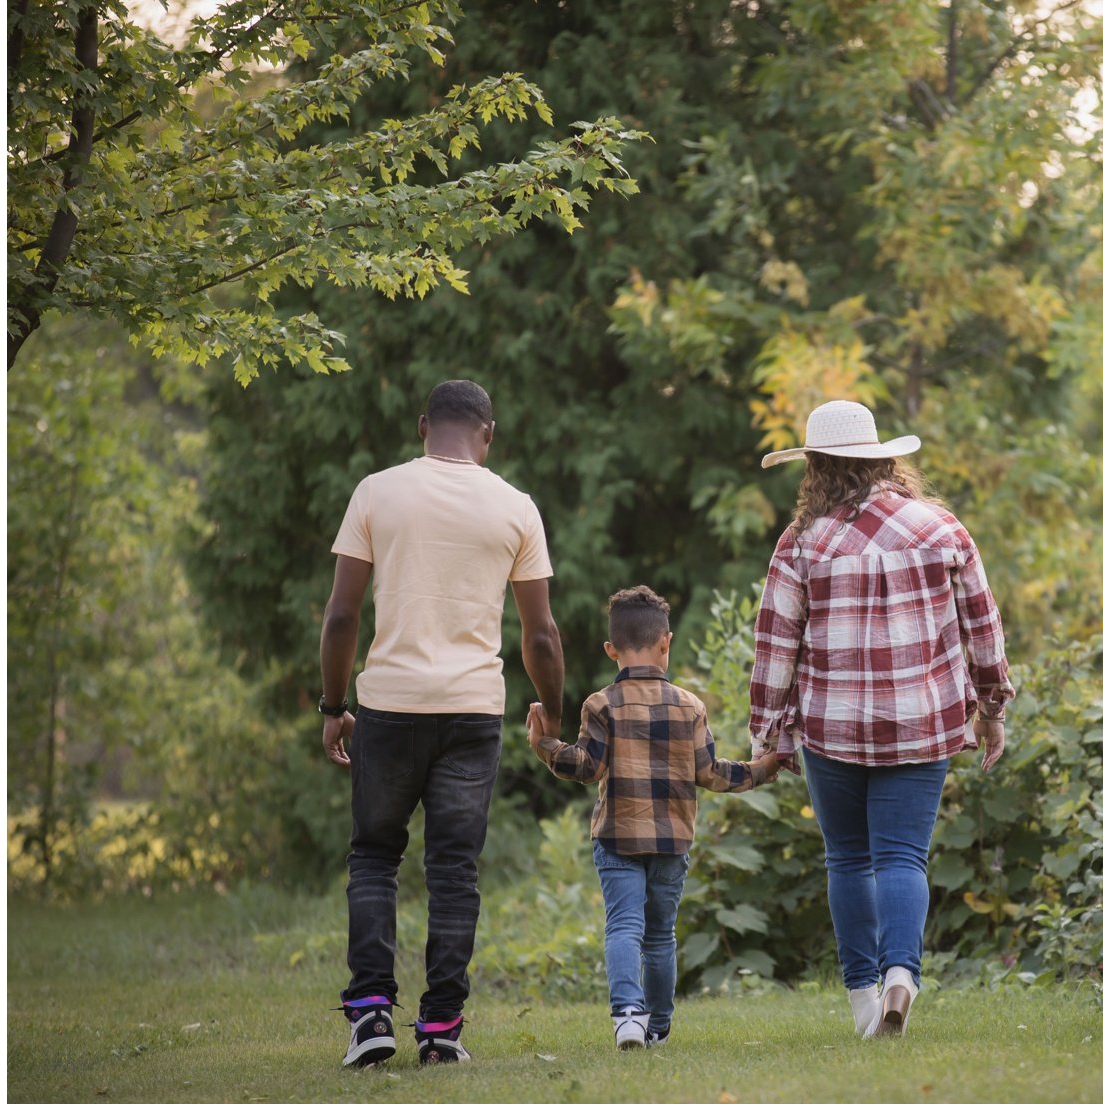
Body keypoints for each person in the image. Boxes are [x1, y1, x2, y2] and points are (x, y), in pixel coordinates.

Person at [319, 379, 565, 1068]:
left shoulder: (377, 491)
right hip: (472, 710)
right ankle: (441, 1031)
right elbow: (541, 634)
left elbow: (341, 616)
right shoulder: (515, 507)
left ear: (424, 426)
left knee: (374, 856)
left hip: (388, 705)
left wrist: (334, 705)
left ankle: (370, 1018)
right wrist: (551, 706)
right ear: (489, 434)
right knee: (454, 870)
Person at [747, 400, 1012, 1038]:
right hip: (922, 721)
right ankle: (902, 977)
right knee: (902, 858)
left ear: (814, 468)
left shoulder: (801, 543)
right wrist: (992, 706)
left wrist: (770, 732)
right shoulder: (941, 528)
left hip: (830, 726)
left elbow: (776, 644)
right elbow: (983, 625)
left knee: (847, 860)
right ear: (882, 458)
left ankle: (866, 1002)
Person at [529, 586, 776, 1050]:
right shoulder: (691, 706)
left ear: (610, 650)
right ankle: (659, 1026)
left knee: (624, 925)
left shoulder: (601, 705)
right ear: (666, 642)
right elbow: (711, 773)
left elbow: (586, 767)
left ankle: (627, 1017)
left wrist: (544, 746)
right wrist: (761, 769)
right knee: (660, 935)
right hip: (673, 841)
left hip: (617, 838)